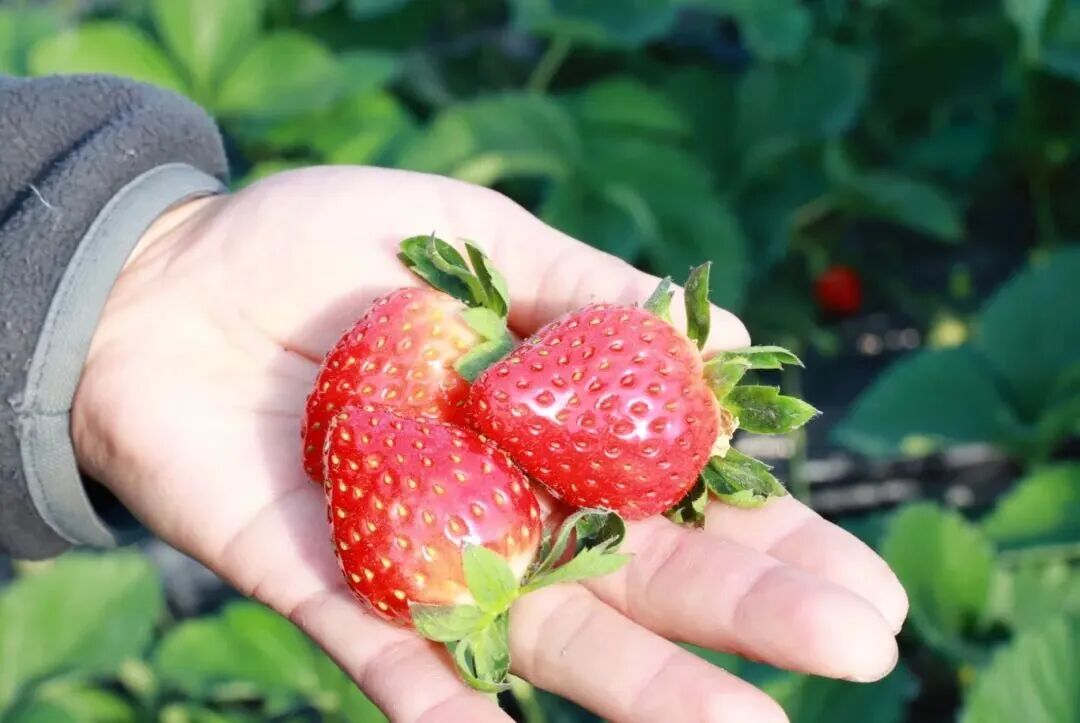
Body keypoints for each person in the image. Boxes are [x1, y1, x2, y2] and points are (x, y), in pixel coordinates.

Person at [0, 74, 907, 722]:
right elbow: (491, 407)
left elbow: (477, 410)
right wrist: (127, 272)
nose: (510, 397)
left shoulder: (467, 384)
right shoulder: (487, 385)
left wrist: (120, 261)